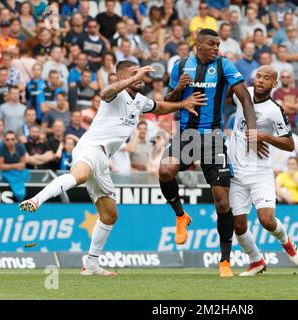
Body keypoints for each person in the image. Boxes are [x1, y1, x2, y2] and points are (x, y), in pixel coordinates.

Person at [19, 62, 206, 276]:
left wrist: (183, 104)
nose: (140, 78)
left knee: (109, 215)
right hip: (90, 148)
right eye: (134, 74)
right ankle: (36, 200)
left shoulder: (140, 101)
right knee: (79, 175)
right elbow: (105, 91)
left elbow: (160, 107)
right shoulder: (114, 95)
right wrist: (129, 80)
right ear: (122, 78)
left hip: (103, 160)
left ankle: (91, 264)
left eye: (140, 74)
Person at [159, 29, 258, 278]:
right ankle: (181, 216)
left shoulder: (224, 65)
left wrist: (253, 129)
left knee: (223, 202)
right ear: (198, 45)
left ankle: (225, 261)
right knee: (164, 170)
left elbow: (244, 97)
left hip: (213, 137)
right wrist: (178, 88)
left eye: (218, 44)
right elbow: (166, 100)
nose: (216, 48)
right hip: (187, 135)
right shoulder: (181, 65)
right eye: (212, 44)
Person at [228, 65, 298, 276]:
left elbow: (289, 144)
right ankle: (256, 261)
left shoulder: (274, 110)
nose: (260, 80)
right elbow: (225, 100)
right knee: (239, 225)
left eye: (266, 78)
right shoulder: (244, 94)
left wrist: (265, 137)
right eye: (258, 76)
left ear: (274, 83)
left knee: (267, 220)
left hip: (260, 172)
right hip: (237, 174)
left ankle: (286, 241)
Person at [0, 130, 29, 201]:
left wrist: (10, 166)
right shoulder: (0, 147)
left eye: (12, 139)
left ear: (16, 140)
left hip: (18, 173)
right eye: (7, 139)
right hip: (5, 174)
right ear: (4, 140)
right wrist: (16, 165)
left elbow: (23, 165)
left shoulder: (21, 147)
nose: (10, 141)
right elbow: (0, 166)